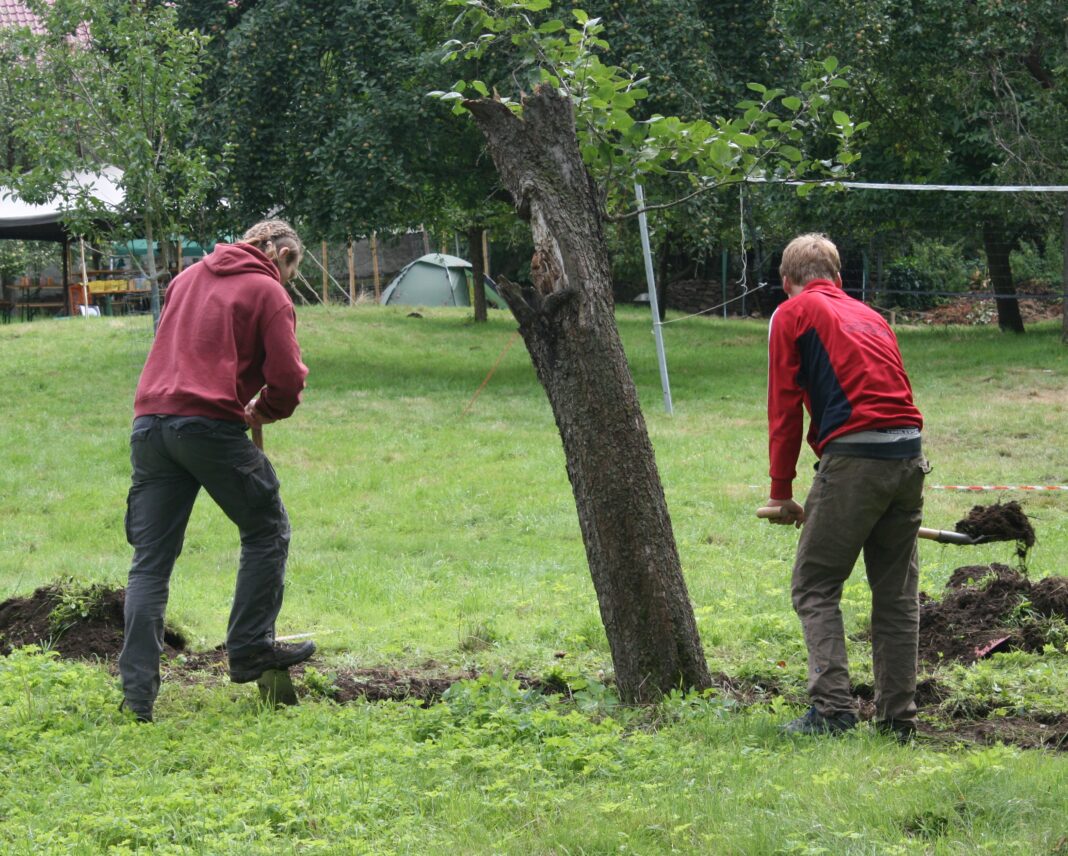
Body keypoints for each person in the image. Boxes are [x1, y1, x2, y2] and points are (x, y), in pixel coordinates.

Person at [118, 219, 313, 722]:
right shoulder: (267, 289)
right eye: (293, 267)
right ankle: (249, 648)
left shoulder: (186, 278)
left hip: (150, 426)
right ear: (282, 252)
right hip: (206, 428)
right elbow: (288, 379)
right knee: (267, 528)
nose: (289, 278)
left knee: (150, 563)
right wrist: (264, 409)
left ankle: (137, 696)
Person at [762, 233, 928, 740]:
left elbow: (785, 405)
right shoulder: (872, 316)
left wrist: (780, 490)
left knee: (814, 584)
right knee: (897, 596)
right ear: (838, 279)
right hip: (908, 453)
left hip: (857, 457)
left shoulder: (791, 314)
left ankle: (832, 712)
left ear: (787, 283)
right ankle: (898, 720)